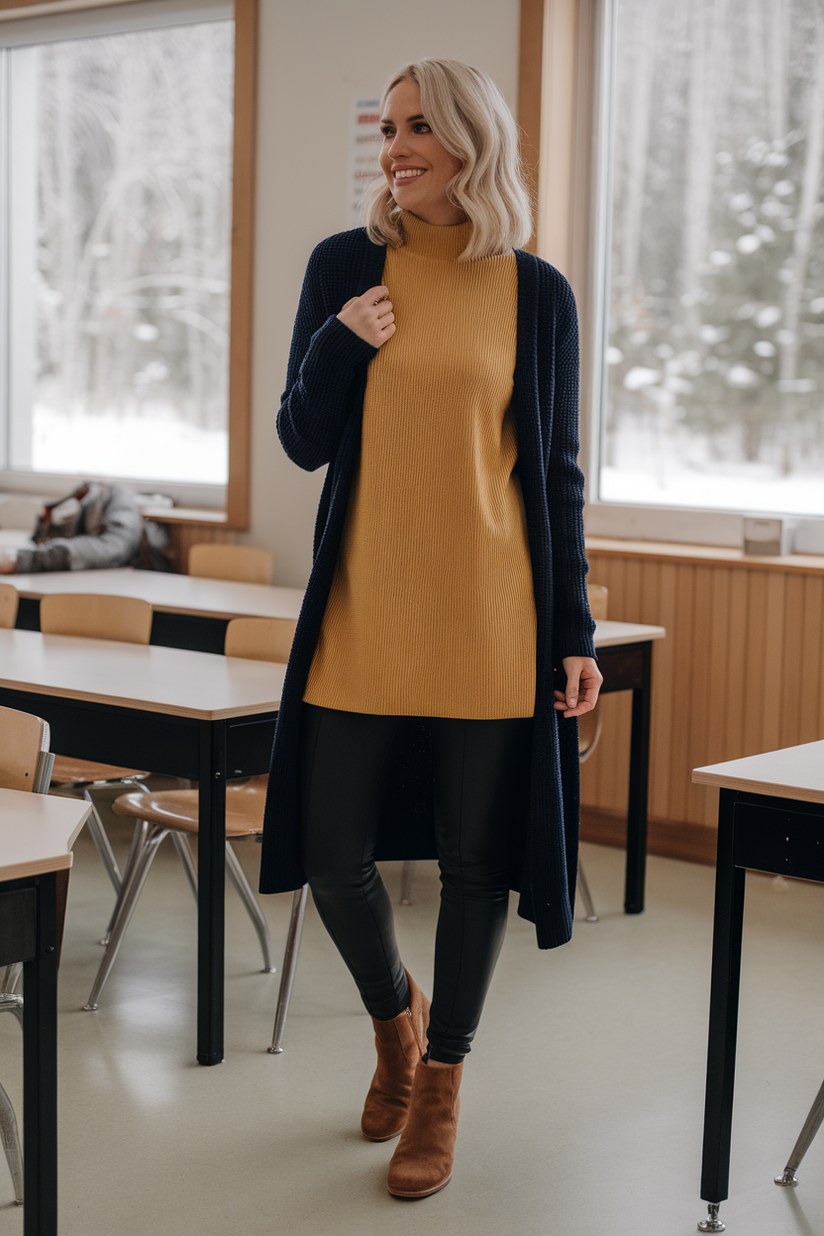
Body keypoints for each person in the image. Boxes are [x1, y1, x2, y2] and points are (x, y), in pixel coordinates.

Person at [260, 57, 602, 1199]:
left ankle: (441, 1081)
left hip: (489, 619)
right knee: (329, 851)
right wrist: (338, 343)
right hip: (363, 611)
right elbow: (302, 440)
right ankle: (392, 1025)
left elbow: (551, 476)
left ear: (471, 144)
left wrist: (575, 632)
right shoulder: (344, 267)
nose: (398, 147)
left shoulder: (532, 291)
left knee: (475, 864)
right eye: (390, 128)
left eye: (422, 129)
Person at [0, 481, 170, 574]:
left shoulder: (117, 497)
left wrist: (24, 560)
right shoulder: (77, 507)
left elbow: (113, 548)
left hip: (136, 597)